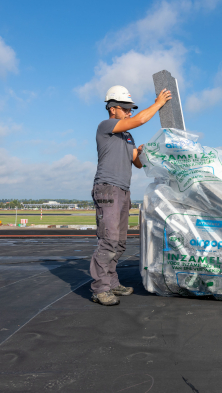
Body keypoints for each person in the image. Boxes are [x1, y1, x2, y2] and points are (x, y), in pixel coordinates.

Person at [90, 85, 172, 306]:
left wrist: (141, 152)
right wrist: (158, 104)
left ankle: (112, 282)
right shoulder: (106, 127)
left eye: (130, 109)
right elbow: (140, 120)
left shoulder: (127, 137)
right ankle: (100, 289)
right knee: (109, 240)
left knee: (120, 242)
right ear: (113, 109)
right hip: (107, 188)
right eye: (125, 109)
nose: (129, 113)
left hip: (123, 190)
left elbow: (136, 163)